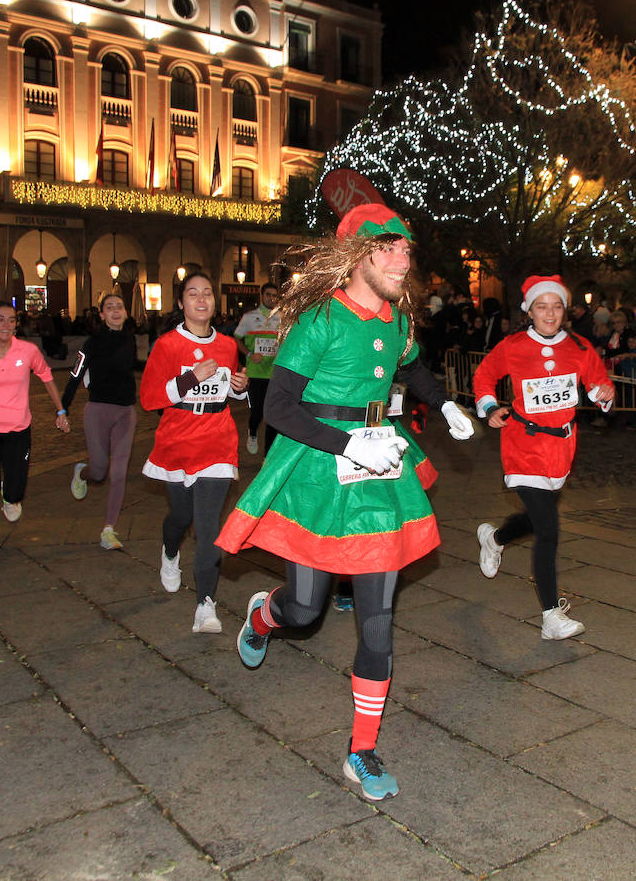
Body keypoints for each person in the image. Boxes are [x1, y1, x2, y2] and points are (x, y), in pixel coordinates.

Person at [216, 203, 476, 802]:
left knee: (378, 618)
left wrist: (445, 406)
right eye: (390, 249)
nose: (403, 261)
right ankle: (263, 615)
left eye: (408, 251)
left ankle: (361, 751)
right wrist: (345, 444)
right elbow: (277, 408)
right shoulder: (321, 319)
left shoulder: (399, 320)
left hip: (380, 468)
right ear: (358, 256)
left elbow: (414, 369)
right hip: (318, 466)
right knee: (305, 611)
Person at [473, 276, 615, 639]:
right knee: (549, 527)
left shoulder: (581, 347)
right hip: (522, 445)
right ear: (529, 311)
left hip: (561, 448)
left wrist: (603, 394)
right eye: (541, 306)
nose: (549, 313)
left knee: (537, 519)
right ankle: (551, 616)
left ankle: (496, 539)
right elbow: (484, 376)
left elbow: (601, 385)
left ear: (564, 310)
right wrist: (489, 407)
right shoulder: (513, 345)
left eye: (556, 306)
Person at [140, 272, 249, 633]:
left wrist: (238, 387)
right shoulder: (167, 345)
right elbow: (149, 398)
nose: (201, 300)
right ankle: (170, 550)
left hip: (217, 439)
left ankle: (206, 604)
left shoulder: (229, 345)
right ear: (181, 303)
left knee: (208, 528)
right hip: (177, 440)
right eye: (192, 294)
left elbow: (227, 394)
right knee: (180, 518)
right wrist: (190, 379)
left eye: (207, 293)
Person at [0, 301, 69, 558]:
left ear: (17, 324)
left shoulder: (27, 351)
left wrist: (60, 410)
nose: (6, 325)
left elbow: (47, 377)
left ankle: (10, 497)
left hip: (19, 428)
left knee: (15, 490)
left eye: (11, 320)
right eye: (0, 319)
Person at [63, 293, 138, 550]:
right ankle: (81, 472)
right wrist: (63, 408)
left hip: (125, 412)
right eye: (110, 307)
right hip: (97, 410)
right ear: (102, 315)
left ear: (126, 313)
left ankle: (109, 529)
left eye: (120, 306)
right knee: (98, 471)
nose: (116, 311)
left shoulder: (130, 340)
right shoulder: (92, 342)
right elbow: (76, 374)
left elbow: (132, 368)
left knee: (118, 473)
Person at [234, 282, 281, 455]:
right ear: (261, 296)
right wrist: (249, 355)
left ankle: (266, 456)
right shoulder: (248, 317)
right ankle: (252, 431)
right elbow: (237, 339)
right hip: (255, 373)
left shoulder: (282, 318)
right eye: (268, 295)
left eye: (274, 295)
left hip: (274, 373)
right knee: (258, 412)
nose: (271, 298)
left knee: (272, 415)